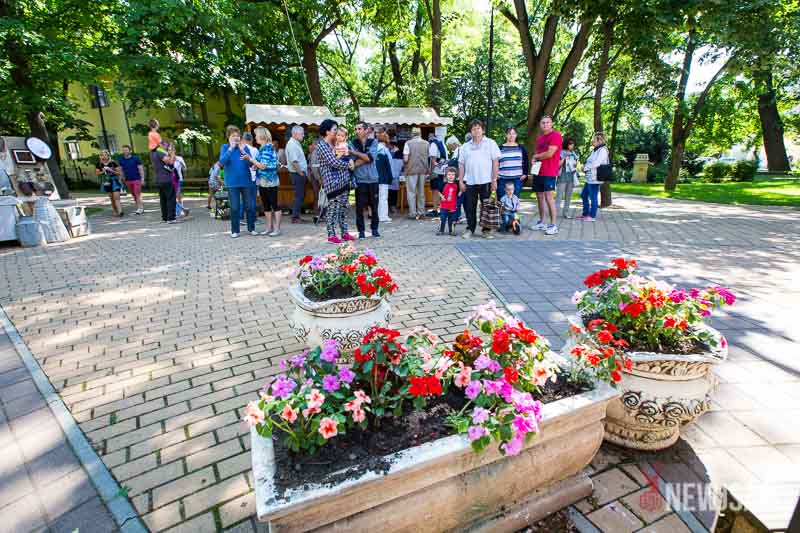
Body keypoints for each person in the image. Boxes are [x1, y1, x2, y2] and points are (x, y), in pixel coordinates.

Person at [458, 119, 500, 239]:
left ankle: (486, 230)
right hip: (470, 181)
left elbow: (495, 162)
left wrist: (494, 180)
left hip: (486, 181)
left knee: (487, 207)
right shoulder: (465, 146)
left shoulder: (491, 143)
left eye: (478, 128)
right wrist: (460, 181)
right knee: (469, 207)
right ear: (470, 131)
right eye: (473, 129)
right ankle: (470, 229)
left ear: (483, 130)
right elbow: (461, 165)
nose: (476, 131)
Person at [316, 119, 355, 244]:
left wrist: (350, 160)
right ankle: (331, 235)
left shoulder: (336, 144)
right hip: (332, 183)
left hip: (344, 181)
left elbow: (346, 156)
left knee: (343, 209)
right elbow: (333, 162)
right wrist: (348, 165)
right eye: (334, 129)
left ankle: (344, 233)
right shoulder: (322, 146)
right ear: (327, 131)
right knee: (333, 209)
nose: (336, 132)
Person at [219, 125, 257, 238]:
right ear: (228, 137)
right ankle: (235, 230)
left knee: (249, 206)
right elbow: (222, 162)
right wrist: (231, 149)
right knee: (235, 207)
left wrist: (243, 151)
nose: (236, 137)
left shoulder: (244, 147)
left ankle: (251, 228)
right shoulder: (225, 147)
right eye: (233, 135)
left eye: (237, 135)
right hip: (232, 183)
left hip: (246, 182)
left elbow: (251, 163)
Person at [530, 115, 562, 235]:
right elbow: (538, 154)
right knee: (539, 197)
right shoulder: (540, 139)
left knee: (549, 197)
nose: (545, 124)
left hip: (549, 172)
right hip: (538, 171)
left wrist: (535, 156)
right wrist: (534, 160)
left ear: (551, 124)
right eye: (543, 123)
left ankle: (553, 225)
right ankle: (542, 222)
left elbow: (550, 153)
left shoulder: (556, 136)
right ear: (540, 124)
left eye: (548, 122)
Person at [350, 121, 380, 239]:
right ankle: (361, 231)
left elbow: (371, 158)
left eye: (359, 129)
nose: (357, 131)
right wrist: (365, 158)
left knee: (374, 206)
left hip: (373, 179)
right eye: (356, 129)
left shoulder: (373, 142)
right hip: (360, 180)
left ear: (366, 130)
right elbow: (353, 161)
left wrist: (355, 153)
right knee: (359, 208)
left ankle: (374, 229)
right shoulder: (352, 143)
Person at [251, 127, 282, 236]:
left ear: (262, 136)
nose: (255, 137)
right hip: (263, 180)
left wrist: (251, 160)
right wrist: (256, 166)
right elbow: (262, 164)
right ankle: (269, 228)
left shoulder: (267, 148)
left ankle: (277, 229)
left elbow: (263, 166)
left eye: (256, 135)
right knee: (266, 205)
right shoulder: (262, 148)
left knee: (274, 205)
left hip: (270, 180)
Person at [579, 132, 609, 222]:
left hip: (595, 178)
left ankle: (592, 216)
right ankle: (585, 214)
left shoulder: (603, 150)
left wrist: (585, 168)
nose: (592, 141)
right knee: (584, 195)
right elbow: (591, 161)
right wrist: (585, 167)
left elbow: (597, 163)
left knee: (593, 197)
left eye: (594, 139)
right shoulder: (595, 150)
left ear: (600, 141)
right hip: (590, 177)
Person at [403, 127, 429, 219]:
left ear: (412, 134)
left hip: (411, 170)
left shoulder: (408, 143)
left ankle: (413, 213)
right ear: (420, 134)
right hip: (423, 170)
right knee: (421, 192)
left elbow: (406, 159)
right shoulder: (426, 143)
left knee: (411, 192)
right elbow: (428, 157)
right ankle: (421, 212)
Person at [285, 125, 308, 223]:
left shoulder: (295, 143)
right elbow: (294, 162)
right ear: (294, 134)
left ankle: (297, 216)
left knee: (300, 195)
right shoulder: (292, 145)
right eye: (301, 134)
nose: (303, 135)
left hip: (298, 173)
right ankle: (295, 217)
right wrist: (301, 173)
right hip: (297, 174)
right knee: (299, 195)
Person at [498, 126, 529, 198]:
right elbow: (495, 162)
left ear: (516, 135)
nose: (511, 135)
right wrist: (496, 174)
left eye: (513, 133)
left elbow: (526, 161)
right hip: (503, 178)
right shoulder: (500, 148)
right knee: (502, 200)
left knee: (514, 201)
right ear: (506, 135)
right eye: (509, 133)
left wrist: (525, 174)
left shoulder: (521, 148)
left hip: (517, 179)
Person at [150, 144, 176, 223]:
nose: (166, 146)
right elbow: (170, 162)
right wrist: (173, 153)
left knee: (163, 199)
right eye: (164, 144)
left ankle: (165, 218)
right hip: (166, 179)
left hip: (159, 180)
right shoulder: (160, 153)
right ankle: (171, 218)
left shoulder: (153, 154)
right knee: (170, 199)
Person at [95, 150, 124, 217]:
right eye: (102, 155)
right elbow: (97, 173)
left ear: (108, 156)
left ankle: (120, 211)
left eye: (105, 155)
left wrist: (111, 170)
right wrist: (103, 171)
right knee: (112, 198)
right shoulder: (99, 164)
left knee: (116, 197)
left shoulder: (113, 163)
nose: (104, 156)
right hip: (106, 182)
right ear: (100, 156)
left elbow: (119, 173)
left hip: (114, 181)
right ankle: (115, 210)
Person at [374, 126, 394, 224]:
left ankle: (378, 215)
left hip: (376, 177)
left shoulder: (375, 149)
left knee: (378, 197)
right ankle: (383, 216)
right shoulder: (384, 151)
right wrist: (390, 177)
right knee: (383, 197)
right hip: (384, 177)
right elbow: (389, 165)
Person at [117, 145, 144, 214]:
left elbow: (140, 169)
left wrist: (142, 179)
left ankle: (140, 208)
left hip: (136, 179)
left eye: (126, 150)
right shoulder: (121, 159)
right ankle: (139, 206)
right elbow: (120, 170)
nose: (125, 151)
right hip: (127, 180)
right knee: (133, 194)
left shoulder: (136, 158)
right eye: (123, 150)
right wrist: (120, 179)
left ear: (130, 151)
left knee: (137, 194)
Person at [428, 132, 449, 216]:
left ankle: (435, 210)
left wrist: (431, 172)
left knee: (435, 190)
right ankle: (442, 209)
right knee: (440, 190)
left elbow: (433, 161)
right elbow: (445, 160)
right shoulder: (443, 144)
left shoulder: (433, 144)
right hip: (442, 171)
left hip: (436, 171)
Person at [558, 138, 579, 219]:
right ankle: (555, 212)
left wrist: (574, 164)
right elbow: (558, 165)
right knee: (559, 196)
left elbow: (575, 165)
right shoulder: (561, 152)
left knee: (568, 196)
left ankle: (566, 213)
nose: (572, 145)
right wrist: (564, 158)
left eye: (573, 143)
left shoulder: (573, 153)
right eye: (570, 143)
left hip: (571, 177)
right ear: (566, 144)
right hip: (562, 176)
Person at [437, 167, 459, 236]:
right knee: (442, 219)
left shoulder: (456, 185)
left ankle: (451, 231)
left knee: (452, 220)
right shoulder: (443, 184)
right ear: (446, 176)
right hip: (444, 206)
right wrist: (442, 196)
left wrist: (460, 193)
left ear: (455, 176)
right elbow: (438, 191)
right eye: (449, 174)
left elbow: (459, 193)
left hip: (452, 206)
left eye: (453, 175)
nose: (451, 176)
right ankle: (441, 230)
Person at [169, 145, 189, 218]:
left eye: (172, 150)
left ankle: (180, 211)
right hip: (169, 180)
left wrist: (181, 163)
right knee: (173, 196)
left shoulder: (179, 158)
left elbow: (185, 169)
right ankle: (179, 211)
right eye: (169, 150)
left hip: (179, 179)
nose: (170, 151)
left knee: (178, 195)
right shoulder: (166, 158)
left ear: (174, 151)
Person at [308, 139, 322, 225]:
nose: (312, 146)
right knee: (317, 196)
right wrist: (319, 178)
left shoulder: (319, 152)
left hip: (320, 177)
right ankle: (317, 214)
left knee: (321, 196)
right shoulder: (314, 153)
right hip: (316, 177)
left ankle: (321, 214)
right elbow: (314, 167)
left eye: (314, 144)